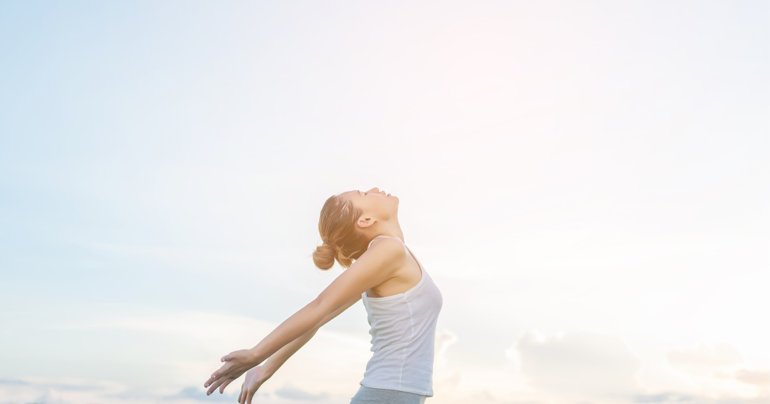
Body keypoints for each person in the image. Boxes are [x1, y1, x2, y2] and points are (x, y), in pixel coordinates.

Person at [203, 187, 443, 404]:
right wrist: (256, 355)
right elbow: (321, 307)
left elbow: (320, 317)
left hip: (395, 393)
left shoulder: (388, 256)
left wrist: (267, 367)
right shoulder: (389, 250)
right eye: (364, 194)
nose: (374, 189)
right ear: (366, 220)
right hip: (389, 393)